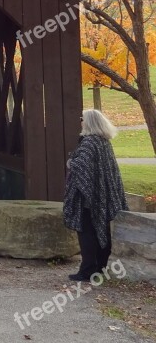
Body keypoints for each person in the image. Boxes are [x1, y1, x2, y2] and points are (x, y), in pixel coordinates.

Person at [63, 109, 128, 282]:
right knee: (102, 230)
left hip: (88, 198)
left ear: (89, 122)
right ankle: (100, 267)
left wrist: (71, 162)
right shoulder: (103, 142)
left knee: (86, 232)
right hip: (102, 195)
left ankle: (87, 270)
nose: (81, 121)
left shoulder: (89, 143)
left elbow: (82, 167)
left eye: (82, 119)